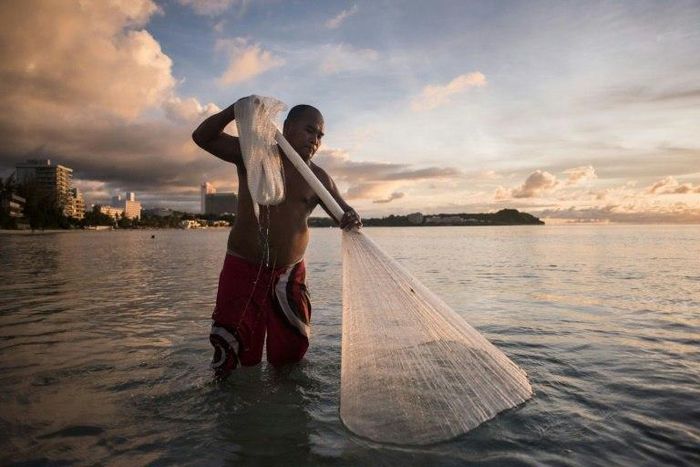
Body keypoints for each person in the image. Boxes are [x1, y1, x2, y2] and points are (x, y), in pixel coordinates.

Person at [192, 97, 361, 379]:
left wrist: (352, 217)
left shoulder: (318, 178)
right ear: (288, 127)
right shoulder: (254, 155)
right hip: (244, 268)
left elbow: (345, 214)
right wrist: (236, 110)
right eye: (309, 130)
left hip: (289, 276)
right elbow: (203, 137)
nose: (315, 140)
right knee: (232, 358)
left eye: (320, 135)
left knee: (290, 359)